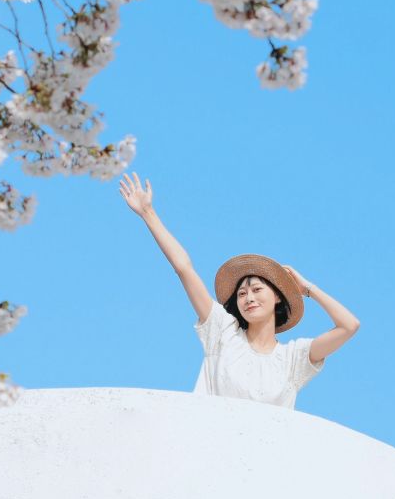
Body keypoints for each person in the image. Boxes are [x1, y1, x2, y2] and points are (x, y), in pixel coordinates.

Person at [118, 172, 360, 410]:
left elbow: (349, 326)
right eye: (242, 294)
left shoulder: (292, 358)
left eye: (256, 289)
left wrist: (307, 289)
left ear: (277, 296)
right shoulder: (223, 332)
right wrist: (148, 213)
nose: (248, 298)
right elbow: (184, 269)